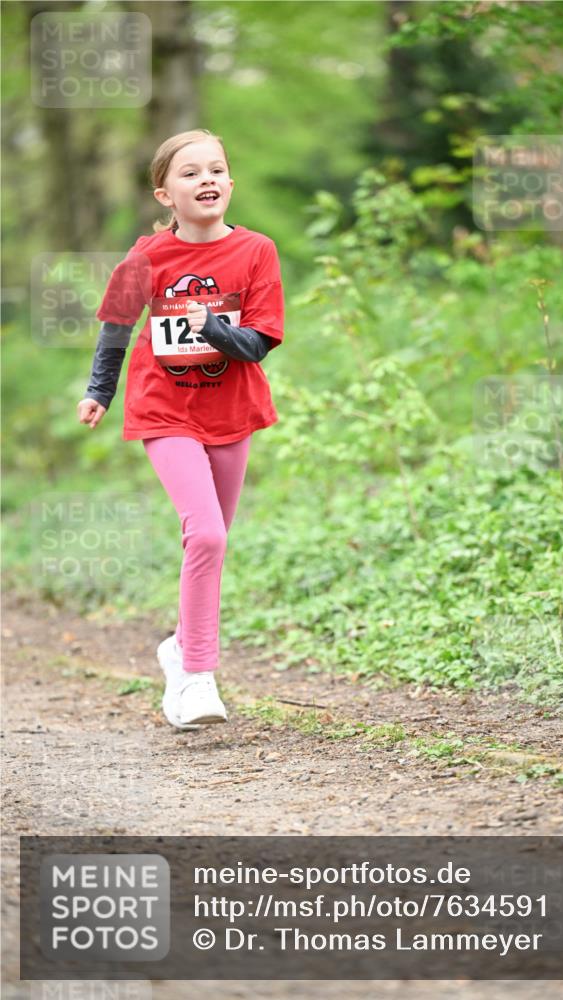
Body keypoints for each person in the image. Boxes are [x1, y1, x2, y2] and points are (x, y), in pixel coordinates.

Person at [76, 128, 284, 731]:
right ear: (164, 194)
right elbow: (117, 326)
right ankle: (196, 677)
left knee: (211, 542)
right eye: (190, 173)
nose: (207, 181)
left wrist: (212, 328)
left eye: (216, 169)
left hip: (232, 409)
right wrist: (98, 391)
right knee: (208, 536)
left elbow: (257, 344)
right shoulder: (146, 258)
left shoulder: (256, 251)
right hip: (163, 407)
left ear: (231, 183)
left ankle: (178, 648)